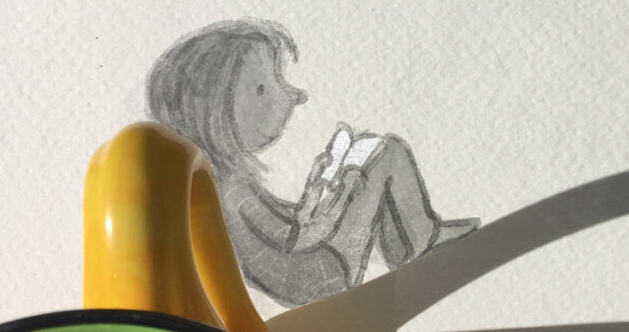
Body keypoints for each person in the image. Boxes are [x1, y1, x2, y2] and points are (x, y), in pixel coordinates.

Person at [146, 19, 478, 306]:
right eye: (261, 88)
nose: (293, 95)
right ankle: (419, 241)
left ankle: (410, 244)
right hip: (320, 278)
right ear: (210, 112)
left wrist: (316, 190)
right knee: (386, 153)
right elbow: (297, 239)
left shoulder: (222, 181)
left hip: (307, 269)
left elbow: (288, 227)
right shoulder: (231, 191)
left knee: (373, 157)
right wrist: (342, 197)